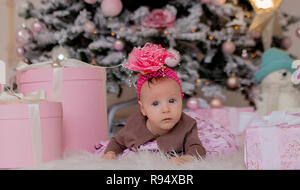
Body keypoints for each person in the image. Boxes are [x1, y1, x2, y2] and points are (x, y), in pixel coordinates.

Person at [95, 43, 239, 164]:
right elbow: (117, 141)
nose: (166, 109)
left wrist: (188, 157)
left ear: (181, 100)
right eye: (155, 104)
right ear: (143, 109)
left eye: (172, 101)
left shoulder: (186, 124)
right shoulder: (134, 124)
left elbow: (196, 146)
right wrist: (111, 153)